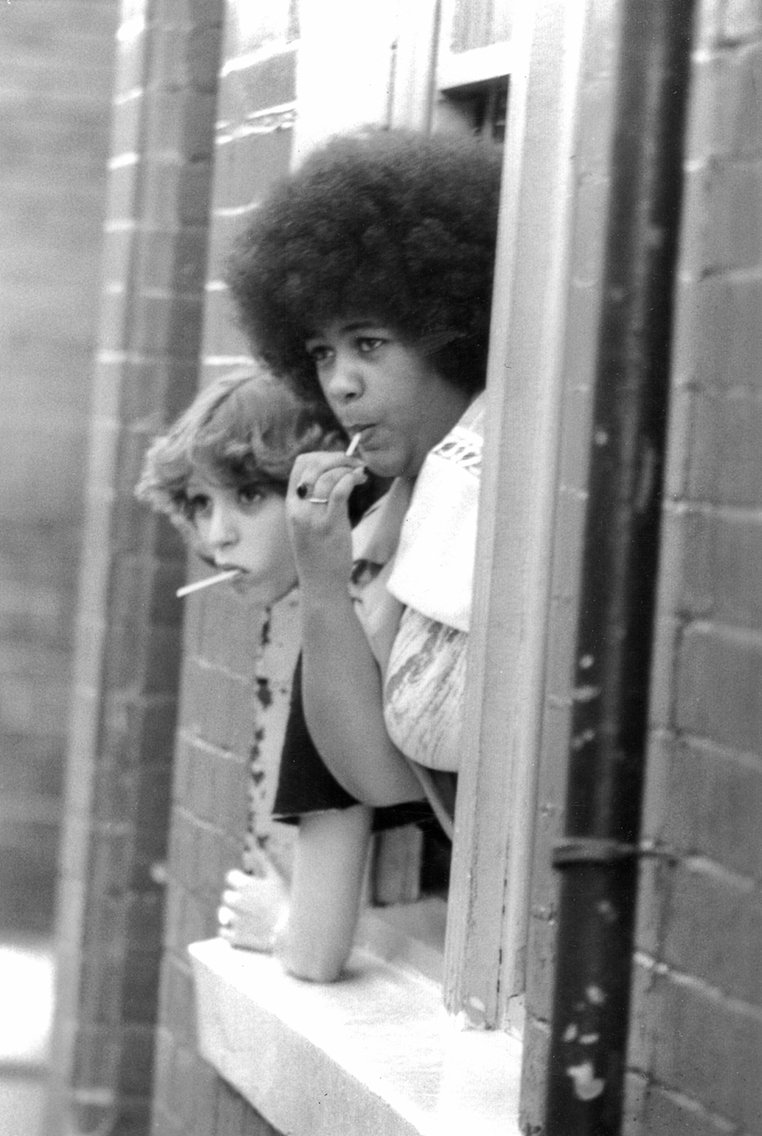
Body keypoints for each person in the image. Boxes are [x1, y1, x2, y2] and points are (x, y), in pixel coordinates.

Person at [225, 128, 502, 833]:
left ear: (447, 330)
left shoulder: (503, 485)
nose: (339, 383)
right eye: (321, 353)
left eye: (368, 344)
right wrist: (322, 577)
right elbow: (376, 775)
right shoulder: (391, 520)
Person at [135, 366, 428, 981]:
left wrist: (276, 917)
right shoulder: (335, 606)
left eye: (248, 496)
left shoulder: (338, 632)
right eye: (200, 504)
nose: (219, 537)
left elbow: (315, 953)